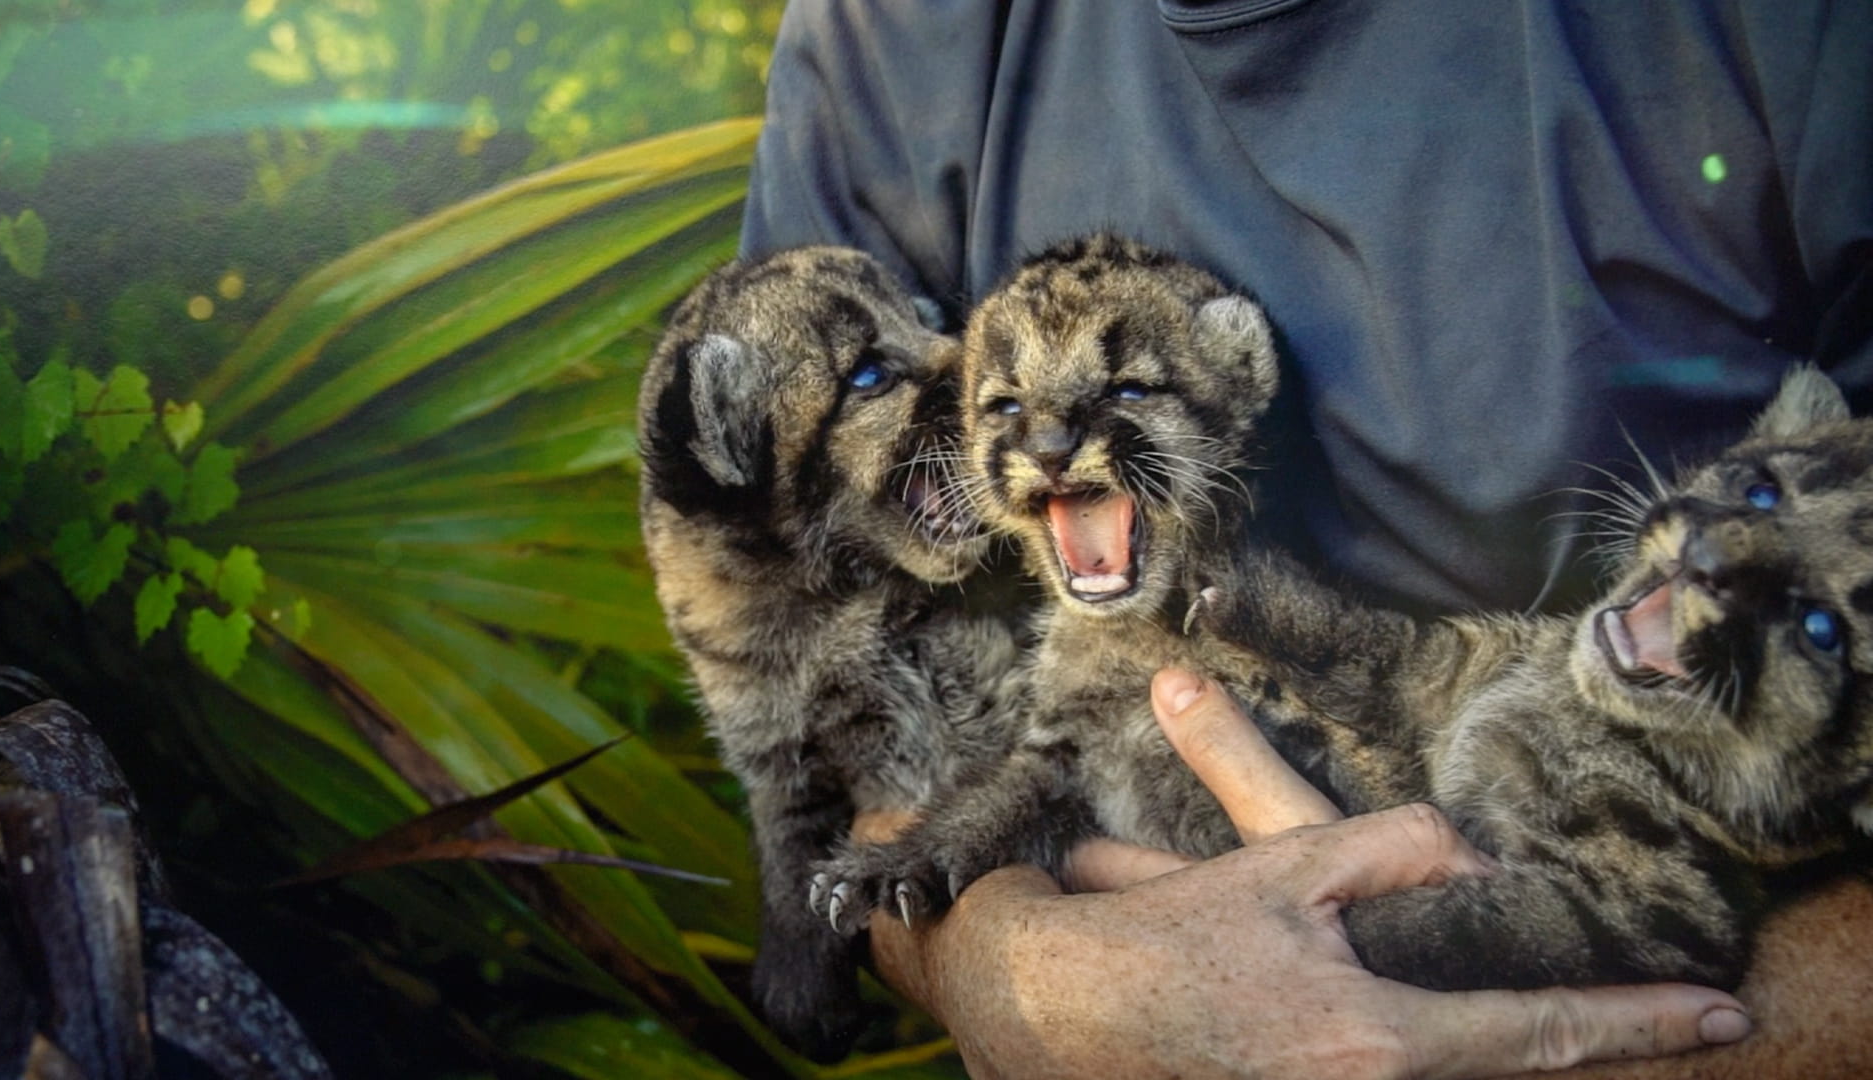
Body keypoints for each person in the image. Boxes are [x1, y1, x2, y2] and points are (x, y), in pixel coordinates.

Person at [739, 2, 1873, 1076]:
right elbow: (830, 685)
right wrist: (1015, 977)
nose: (1047, 446)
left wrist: (1467, 1024)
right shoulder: (888, 42)